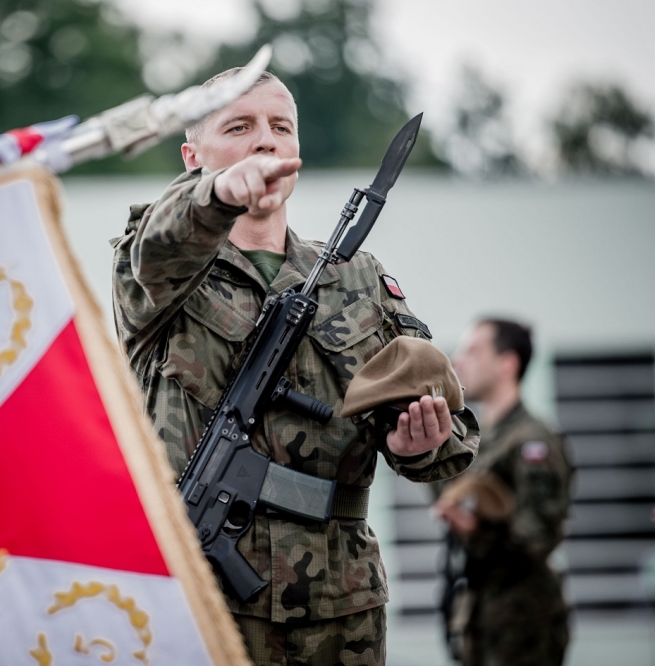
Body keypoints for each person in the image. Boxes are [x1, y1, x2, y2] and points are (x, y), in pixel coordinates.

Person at [111, 67, 480, 665]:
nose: (265, 140)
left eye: (281, 127)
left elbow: (450, 432)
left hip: (340, 610)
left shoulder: (358, 279)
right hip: (200, 603)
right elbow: (162, 241)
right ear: (191, 156)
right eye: (240, 126)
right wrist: (218, 196)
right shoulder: (156, 268)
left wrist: (423, 443)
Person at [434, 318, 573, 666]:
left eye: (473, 350)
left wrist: (476, 531)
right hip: (483, 612)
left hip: (522, 621)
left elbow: (539, 535)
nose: (458, 359)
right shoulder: (483, 439)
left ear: (507, 364)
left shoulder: (532, 441)